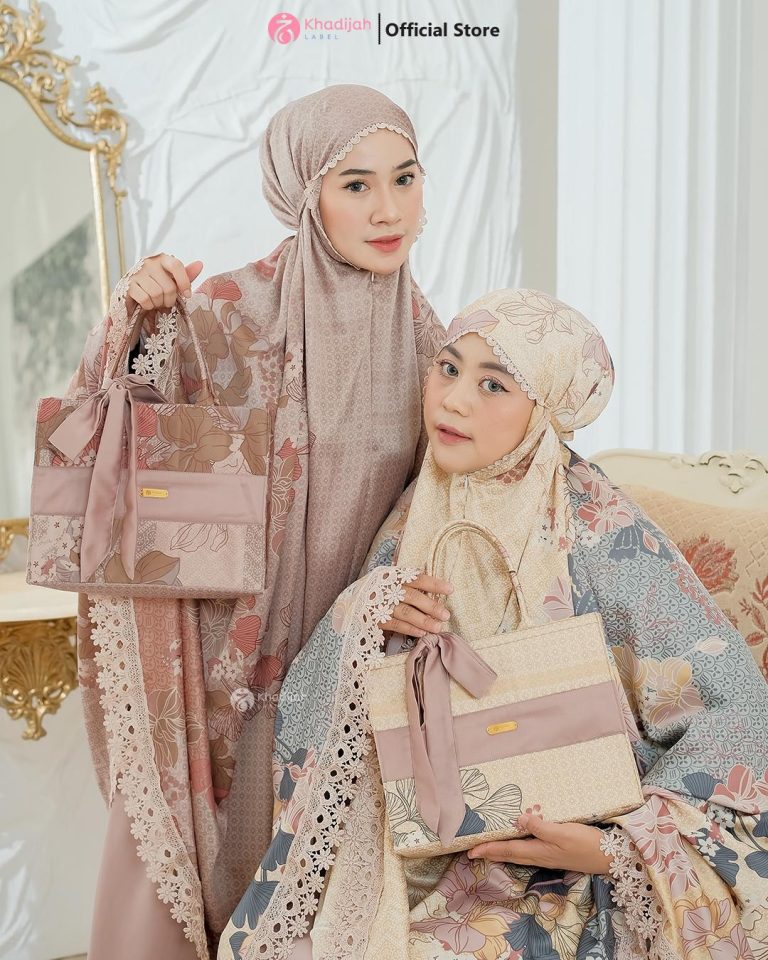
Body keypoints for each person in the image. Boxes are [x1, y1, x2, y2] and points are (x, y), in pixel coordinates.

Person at [219, 289, 768, 960]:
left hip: (566, 865)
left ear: (545, 408)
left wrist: (613, 848)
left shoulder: (601, 529)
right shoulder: (418, 508)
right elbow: (328, 702)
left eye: (493, 384)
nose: (453, 400)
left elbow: (738, 713)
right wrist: (365, 615)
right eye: (448, 369)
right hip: (422, 847)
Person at [64, 84, 452, 959]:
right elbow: (114, 435)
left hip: (353, 675)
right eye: (355, 184)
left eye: (405, 178)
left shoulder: (435, 347)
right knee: (210, 882)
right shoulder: (228, 312)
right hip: (229, 669)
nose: (388, 210)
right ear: (305, 194)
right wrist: (137, 319)